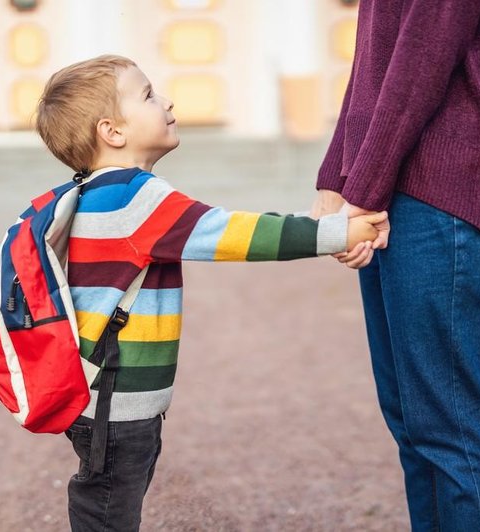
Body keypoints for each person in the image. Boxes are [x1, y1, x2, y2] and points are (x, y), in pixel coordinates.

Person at [35, 54, 387, 531]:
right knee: (107, 510)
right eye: (148, 95)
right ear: (112, 131)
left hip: (101, 394)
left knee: (108, 497)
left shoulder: (93, 192)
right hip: (116, 401)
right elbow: (235, 234)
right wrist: (336, 234)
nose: (167, 100)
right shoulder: (135, 197)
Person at [310, 1, 480, 530]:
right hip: (403, 188)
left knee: (450, 427)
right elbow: (374, 62)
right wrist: (336, 174)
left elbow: (421, 59)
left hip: (449, 187)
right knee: (414, 423)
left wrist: (361, 187)